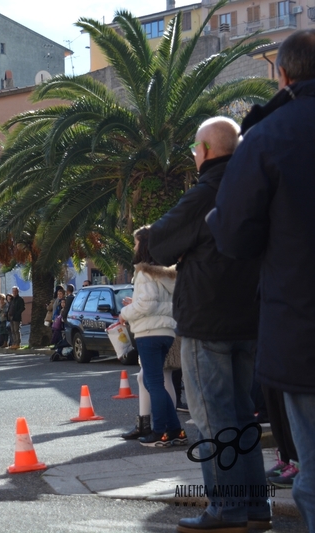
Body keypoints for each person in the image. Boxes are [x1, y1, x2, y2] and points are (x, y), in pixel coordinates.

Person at [205, 32, 315, 530]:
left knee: (312, 469)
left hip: (301, 326)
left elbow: (232, 234)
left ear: (284, 76)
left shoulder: (267, 137)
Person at [150, 116, 270, 531]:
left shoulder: (204, 192)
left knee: (213, 420)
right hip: (250, 319)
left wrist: (148, 239)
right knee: (242, 416)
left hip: (207, 321)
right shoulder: (255, 188)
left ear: (204, 151)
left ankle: (226, 510)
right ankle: (256, 508)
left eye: (195, 150)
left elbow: (160, 242)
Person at [118, 227, 184, 448]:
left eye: (136, 243)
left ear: (144, 246)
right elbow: (157, 302)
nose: (134, 247)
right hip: (166, 332)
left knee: (152, 382)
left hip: (148, 332)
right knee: (155, 382)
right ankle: (175, 429)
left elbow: (147, 303)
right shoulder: (166, 273)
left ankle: (159, 431)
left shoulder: (144, 273)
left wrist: (125, 313)